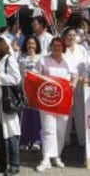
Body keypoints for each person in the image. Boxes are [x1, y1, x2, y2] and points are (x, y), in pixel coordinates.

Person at [35, 37, 78, 172]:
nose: (57, 48)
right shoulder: (43, 60)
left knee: (61, 129)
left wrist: (73, 85)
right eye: (54, 45)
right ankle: (46, 158)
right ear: (51, 46)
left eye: (59, 45)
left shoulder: (68, 60)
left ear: (63, 47)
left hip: (64, 100)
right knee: (48, 129)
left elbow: (75, 75)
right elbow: (36, 76)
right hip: (47, 100)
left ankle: (56, 156)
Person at [0, 37, 21, 176]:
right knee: (0, 135)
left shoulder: (9, 59)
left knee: (11, 133)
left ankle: (14, 164)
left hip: (6, 102)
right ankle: (2, 164)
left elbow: (16, 78)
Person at [63, 27, 89, 149]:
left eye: (73, 35)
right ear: (64, 37)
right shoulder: (61, 50)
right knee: (65, 113)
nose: (71, 37)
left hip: (80, 84)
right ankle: (65, 140)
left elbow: (87, 65)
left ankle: (83, 141)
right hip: (65, 84)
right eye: (69, 35)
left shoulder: (82, 49)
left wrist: (84, 77)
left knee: (80, 113)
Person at [17, 35, 42, 151]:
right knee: (25, 117)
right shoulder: (21, 58)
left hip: (38, 92)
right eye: (28, 43)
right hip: (24, 91)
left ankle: (37, 140)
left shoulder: (40, 58)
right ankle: (24, 140)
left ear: (37, 45)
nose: (30, 46)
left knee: (36, 117)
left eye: (33, 44)